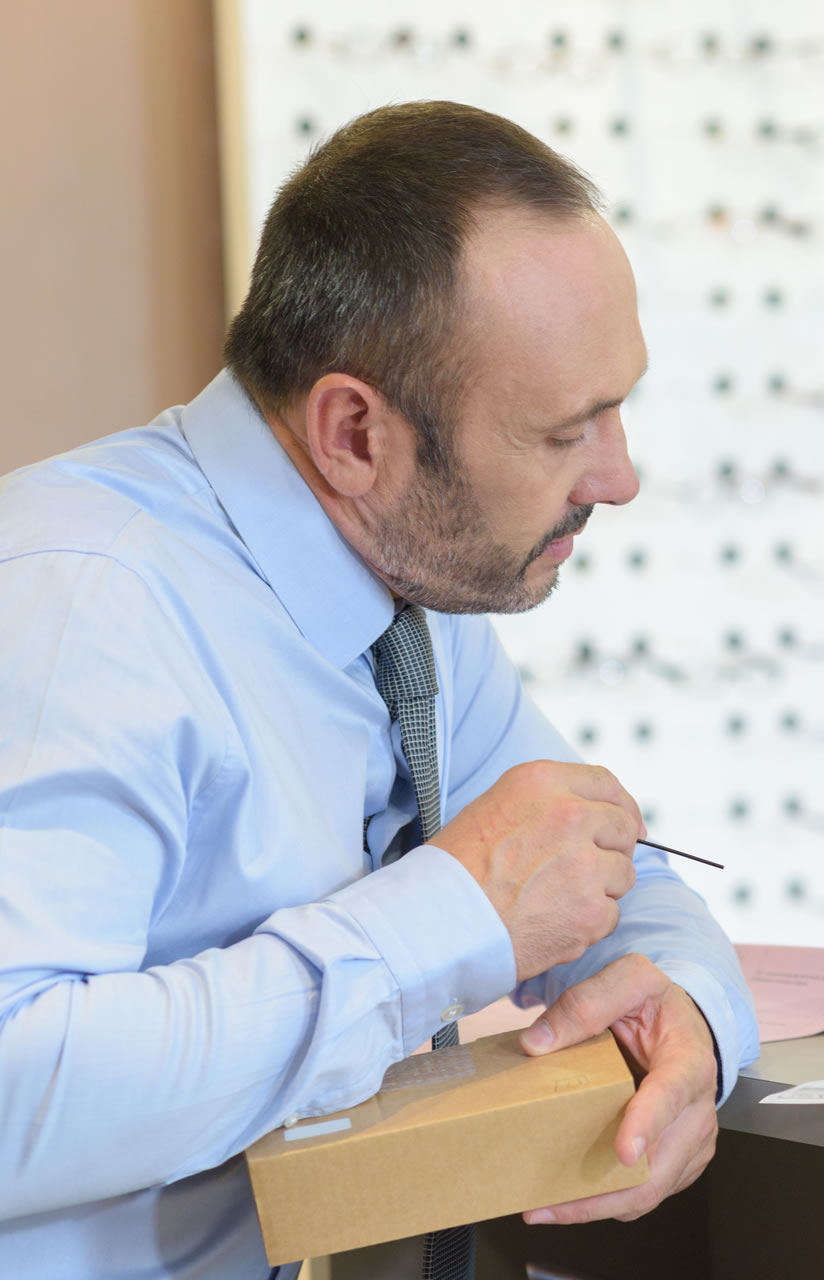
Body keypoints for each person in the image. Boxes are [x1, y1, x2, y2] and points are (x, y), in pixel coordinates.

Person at [0, 102, 758, 1277]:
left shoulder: (409, 594)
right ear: (355, 432)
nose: (620, 476)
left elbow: (609, 879)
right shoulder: (78, 603)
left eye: (620, 406)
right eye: (567, 431)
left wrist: (696, 1019)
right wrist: (442, 922)